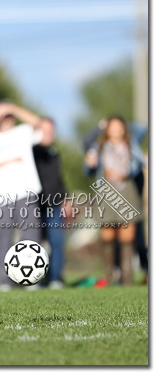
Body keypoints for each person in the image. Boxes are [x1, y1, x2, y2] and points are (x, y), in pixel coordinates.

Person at [0, 100, 45, 292]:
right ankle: (5, 281)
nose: (7, 119)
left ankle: (33, 278)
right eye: (3, 115)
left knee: (31, 237)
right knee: (3, 240)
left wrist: (12, 107)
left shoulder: (22, 132)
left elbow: (39, 123)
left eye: (9, 115)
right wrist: (9, 160)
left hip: (26, 193)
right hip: (0, 197)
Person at [83, 118, 148, 285]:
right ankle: (109, 277)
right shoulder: (99, 146)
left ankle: (127, 280)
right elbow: (87, 166)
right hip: (106, 190)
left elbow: (142, 128)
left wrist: (125, 123)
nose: (117, 130)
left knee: (127, 235)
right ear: (107, 130)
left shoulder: (131, 144)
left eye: (120, 127)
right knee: (108, 234)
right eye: (113, 127)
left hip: (127, 189)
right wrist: (100, 126)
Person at [32, 118, 70, 289]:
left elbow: (58, 179)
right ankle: (35, 279)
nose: (48, 134)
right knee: (35, 244)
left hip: (54, 204)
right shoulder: (30, 151)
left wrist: (66, 199)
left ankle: (55, 278)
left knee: (57, 241)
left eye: (51, 130)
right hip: (34, 204)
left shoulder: (54, 152)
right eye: (44, 130)